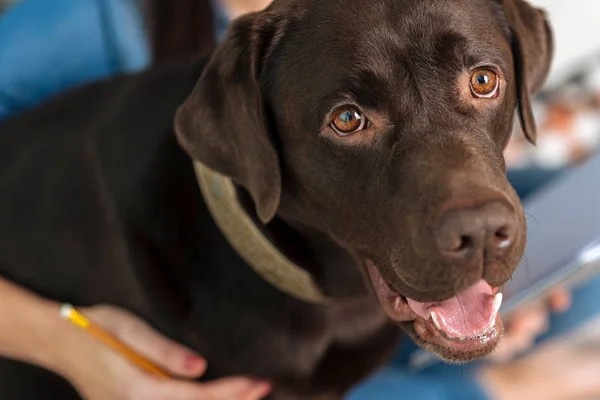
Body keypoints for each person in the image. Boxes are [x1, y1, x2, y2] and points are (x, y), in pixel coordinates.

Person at [1, 1, 600, 400]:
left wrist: (467, 283)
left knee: (580, 263)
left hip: (343, 263)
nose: (481, 89)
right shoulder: (89, 21)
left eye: (483, 83)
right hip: (176, 320)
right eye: (349, 117)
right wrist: (70, 344)